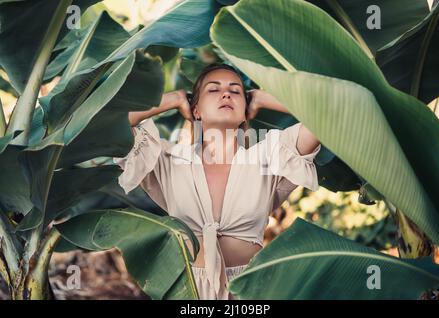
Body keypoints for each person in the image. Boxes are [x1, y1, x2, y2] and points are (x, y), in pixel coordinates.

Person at [113, 63, 322, 300]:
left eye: (235, 91)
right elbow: (110, 125)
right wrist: (173, 99)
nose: (226, 94)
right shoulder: (168, 160)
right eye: (213, 90)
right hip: (186, 291)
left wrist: (263, 98)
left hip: (252, 291)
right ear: (197, 110)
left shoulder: (269, 155)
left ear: (246, 108)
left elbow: (323, 116)